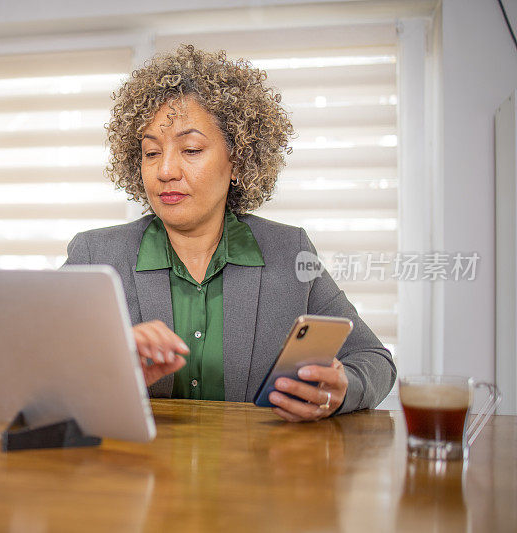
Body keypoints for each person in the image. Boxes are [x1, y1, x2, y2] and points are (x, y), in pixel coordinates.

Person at [64, 45, 396, 421]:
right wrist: (109, 364)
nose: (165, 170)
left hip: (253, 473)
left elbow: (374, 361)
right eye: (151, 153)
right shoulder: (95, 255)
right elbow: (37, 363)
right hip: (139, 472)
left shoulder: (289, 252)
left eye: (190, 149)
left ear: (237, 159)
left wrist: (342, 388)